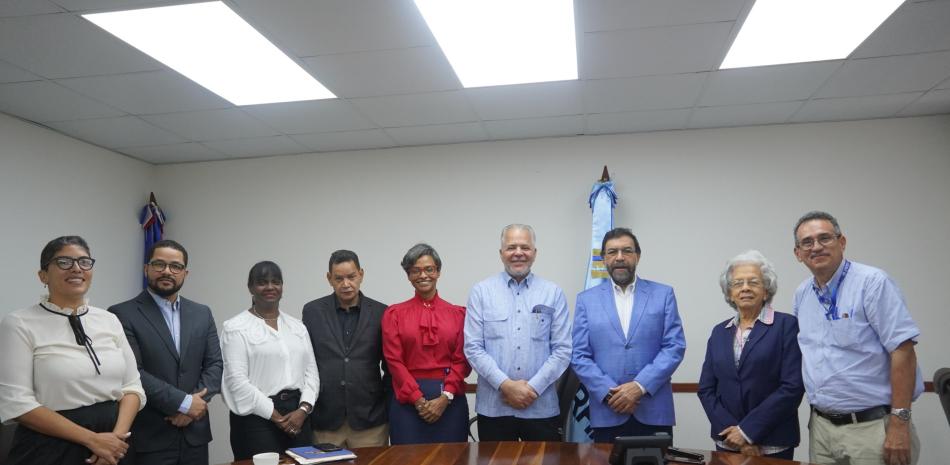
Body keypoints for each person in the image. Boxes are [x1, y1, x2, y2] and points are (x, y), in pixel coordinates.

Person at [792, 211, 923, 465]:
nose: (816, 246)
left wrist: (899, 423)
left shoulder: (872, 283)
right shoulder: (801, 294)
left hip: (872, 429)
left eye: (824, 238)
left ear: (842, 242)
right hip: (821, 428)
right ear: (798, 253)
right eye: (807, 242)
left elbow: (903, 350)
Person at [0, 236, 145, 465]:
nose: (77, 268)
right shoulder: (19, 323)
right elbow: (17, 403)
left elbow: (132, 387)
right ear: (43, 276)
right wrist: (93, 440)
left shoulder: (109, 320)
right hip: (50, 446)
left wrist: (114, 442)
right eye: (64, 262)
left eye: (84, 262)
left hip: (115, 445)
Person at [109, 239, 223, 465]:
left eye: (175, 266)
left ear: (185, 273)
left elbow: (215, 364)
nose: (167, 272)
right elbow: (132, 372)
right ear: (146, 268)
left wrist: (192, 406)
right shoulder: (121, 314)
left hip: (195, 436)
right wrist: (183, 403)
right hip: (150, 436)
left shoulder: (202, 313)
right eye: (159, 264)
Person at [571, 227, 685, 442]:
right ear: (604, 259)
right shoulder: (586, 300)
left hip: (653, 410)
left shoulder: (663, 294)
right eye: (612, 252)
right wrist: (609, 393)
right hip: (608, 410)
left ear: (637, 256)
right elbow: (579, 355)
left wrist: (639, 387)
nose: (620, 257)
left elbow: (674, 347)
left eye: (627, 251)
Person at [464, 224, 571, 441]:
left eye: (525, 247)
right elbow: (473, 347)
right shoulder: (481, 292)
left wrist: (532, 389)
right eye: (511, 247)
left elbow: (562, 350)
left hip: (541, 407)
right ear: (501, 253)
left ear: (534, 253)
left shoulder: (553, 293)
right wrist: (506, 385)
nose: (518, 253)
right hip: (494, 409)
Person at [697, 250, 804, 460]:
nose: (745, 288)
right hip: (728, 442)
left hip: (773, 443)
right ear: (729, 293)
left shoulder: (786, 326)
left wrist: (746, 431)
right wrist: (733, 432)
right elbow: (706, 389)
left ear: (766, 290)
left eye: (753, 282)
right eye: (737, 283)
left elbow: (792, 387)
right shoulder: (719, 331)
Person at [221, 261, 319, 460]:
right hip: (256, 419)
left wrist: (303, 409)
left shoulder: (297, 327)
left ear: (282, 287)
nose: (270, 287)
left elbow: (312, 373)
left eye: (276, 282)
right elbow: (236, 382)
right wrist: (276, 417)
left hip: (299, 416)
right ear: (250, 287)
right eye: (262, 282)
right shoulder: (235, 328)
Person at [382, 243, 471, 444]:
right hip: (407, 402)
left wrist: (445, 398)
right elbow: (393, 361)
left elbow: (462, 360)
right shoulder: (394, 314)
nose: (423, 275)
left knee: (452, 459)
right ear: (408, 275)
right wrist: (418, 400)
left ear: (438, 271)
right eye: (416, 271)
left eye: (429, 269)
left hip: (450, 400)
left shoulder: (458, 314)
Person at [302, 250, 390, 448]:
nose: (346, 284)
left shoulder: (381, 312)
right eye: (338, 278)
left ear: (361, 274)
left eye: (351, 277)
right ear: (329, 279)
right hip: (325, 419)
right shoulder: (312, 312)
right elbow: (306, 364)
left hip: (370, 420)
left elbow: (390, 366)